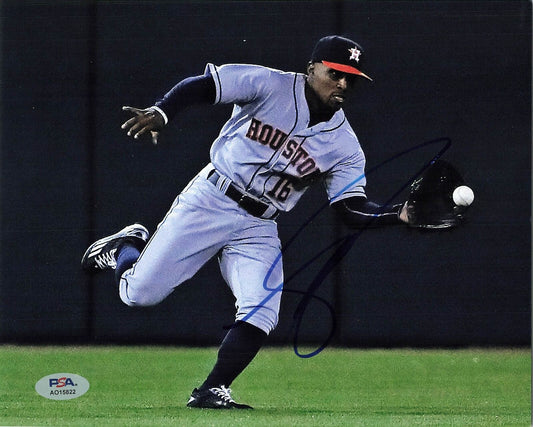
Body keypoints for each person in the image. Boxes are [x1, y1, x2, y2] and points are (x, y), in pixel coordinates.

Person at [82, 35, 410, 409]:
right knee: (138, 294)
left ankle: (211, 389)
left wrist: (399, 214)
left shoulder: (345, 145)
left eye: (352, 78)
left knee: (263, 306)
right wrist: (162, 111)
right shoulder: (269, 84)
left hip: (260, 223)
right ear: (312, 68)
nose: (343, 84)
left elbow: (350, 208)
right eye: (336, 73)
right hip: (213, 199)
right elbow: (204, 86)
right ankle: (126, 245)